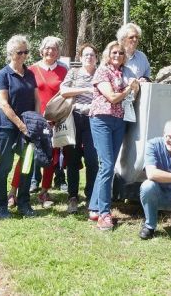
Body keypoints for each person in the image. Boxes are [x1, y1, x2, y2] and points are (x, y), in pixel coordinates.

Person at [9, 36, 68, 208]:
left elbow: (66, 95)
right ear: (41, 50)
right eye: (47, 48)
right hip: (34, 121)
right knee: (25, 156)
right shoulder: (31, 70)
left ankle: (44, 191)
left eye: (54, 48)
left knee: (50, 157)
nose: (50, 51)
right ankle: (13, 191)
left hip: (54, 121)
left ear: (58, 52)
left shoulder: (64, 71)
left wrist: (58, 116)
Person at [88, 40, 140, 230]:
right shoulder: (102, 71)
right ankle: (104, 213)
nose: (117, 56)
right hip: (102, 119)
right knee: (108, 165)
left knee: (106, 167)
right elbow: (111, 97)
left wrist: (136, 84)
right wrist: (129, 89)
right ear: (108, 55)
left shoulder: (123, 72)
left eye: (120, 53)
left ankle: (94, 207)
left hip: (119, 120)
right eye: (114, 53)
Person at [0, 35, 40, 219]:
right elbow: (4, 104)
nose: (23, 55)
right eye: (19, 52)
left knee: (26, 166)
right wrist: (21, 126)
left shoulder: (30, 74)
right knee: (4, 166)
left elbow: (36, 99)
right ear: (11, 53)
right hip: (7, 128)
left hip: (28, 129)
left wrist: (35, 121)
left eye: (26, 52)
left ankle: (24, 203)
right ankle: (1, 206)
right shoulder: (3, 74)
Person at [59, 43, 99, 213]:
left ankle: (91, 195)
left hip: (94, 119)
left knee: (92, 159)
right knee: (73, 159)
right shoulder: (74, 73)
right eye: (86, 55)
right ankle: (72, 196)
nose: (89, 57)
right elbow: (63, 90)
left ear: (96, 58)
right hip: (74, 119)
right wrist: (86, 89)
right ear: (81, 58)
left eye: (92, 55)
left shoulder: (101, 73)